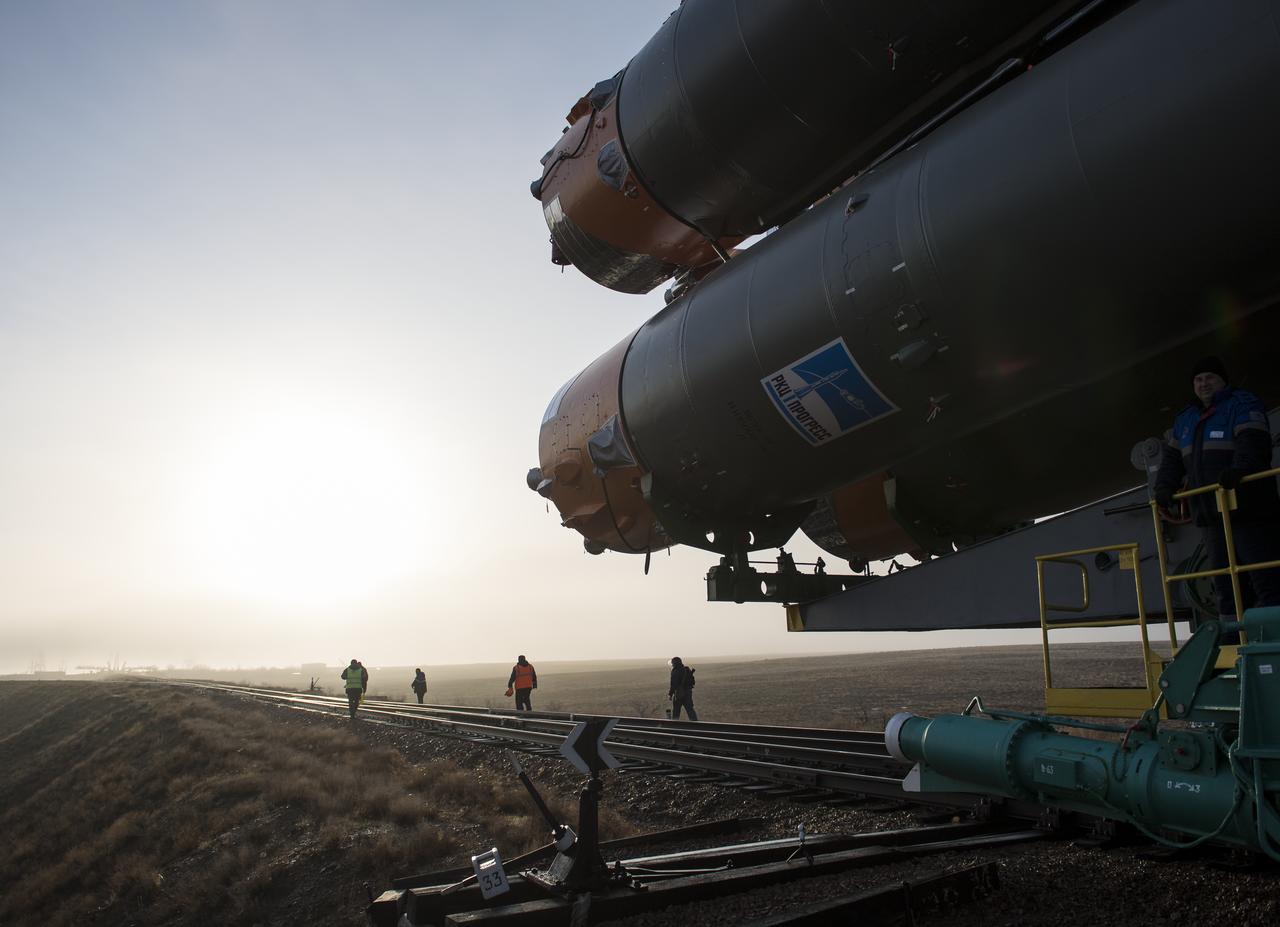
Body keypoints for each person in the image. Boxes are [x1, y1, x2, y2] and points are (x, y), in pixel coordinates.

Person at [1154, 356, 1280, 630]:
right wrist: (1164, 487)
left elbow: (1253, 445)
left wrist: (1239, 470)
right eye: (1198, 380)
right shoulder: (1186, 419)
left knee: (1265, 579)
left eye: (1209, 377)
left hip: (1249, 511)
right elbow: (1173, 461)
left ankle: (1272, 644)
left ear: (1223, 381)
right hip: (1211, 514)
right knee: (1225, 585)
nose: (1204, 384)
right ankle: (1234, 644)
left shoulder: (1242, 405)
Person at [668, 656, 698, 721]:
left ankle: (674, 725)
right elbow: (692, 682)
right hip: (688, 692)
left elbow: (673, 685)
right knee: (690, 710)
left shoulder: (675, 671)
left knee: (676, 711)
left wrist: (670, 694)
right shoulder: (686, 669)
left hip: (679, 693)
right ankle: (696, 724)